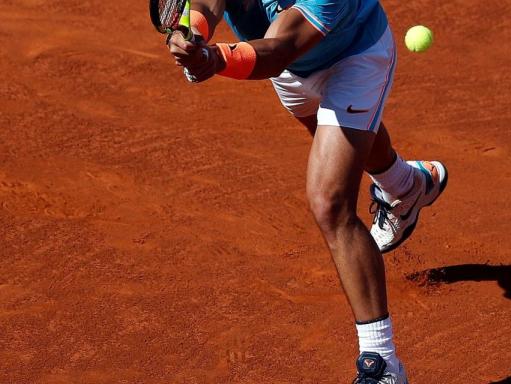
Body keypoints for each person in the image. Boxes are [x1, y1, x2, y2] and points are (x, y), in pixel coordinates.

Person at [165, 1, 449, 383]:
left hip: (353, 57)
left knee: (330, 203)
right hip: (289, 70)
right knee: (348, 144)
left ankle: (382, 363)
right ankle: (406, 184)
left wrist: (213, 59)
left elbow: (279, 49)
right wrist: (193, 32)